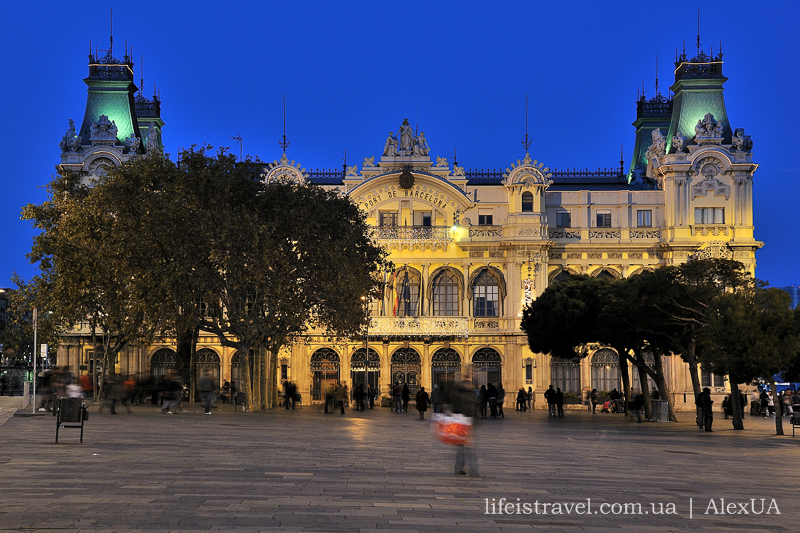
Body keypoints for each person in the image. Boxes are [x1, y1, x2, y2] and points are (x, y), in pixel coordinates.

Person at [448, 379, 479, 477]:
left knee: (461, 447)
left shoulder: (456, 394)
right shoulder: (469, 394)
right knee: (469, 448)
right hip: (466, 423)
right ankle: (473, 470)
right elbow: (472, 408)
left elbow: (453, 408)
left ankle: (458, 468)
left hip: (459, 422)